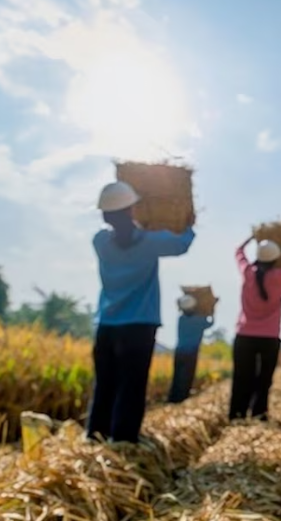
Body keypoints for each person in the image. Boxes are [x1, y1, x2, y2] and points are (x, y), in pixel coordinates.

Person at [86, 181, 195, 443]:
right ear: (130, 211)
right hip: (139, 327)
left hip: (107, 325)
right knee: (131, 385)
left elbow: (127, 233)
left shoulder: (100, 241)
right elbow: (182, 244)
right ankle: (123, 439)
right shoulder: (149, 243)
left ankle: (96, 434)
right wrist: (190, 223)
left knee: (105, 385)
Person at [229, 236, 281, 421]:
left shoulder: (248, 272)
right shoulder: (280, 276)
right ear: (276, 259)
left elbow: (238, 253)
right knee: (264, 378)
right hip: (269, 338)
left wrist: (249, 239)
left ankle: (236, 414)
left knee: (241, 377)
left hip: (244, 335)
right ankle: (259, 413)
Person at [167, 294, 213, 404]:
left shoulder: (181, 319)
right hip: (191, 353)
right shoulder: (199, 320)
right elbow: (211, 322)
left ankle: (172, 399)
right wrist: (210, 308)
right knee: (187, 377)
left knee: (177, 376)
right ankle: (182, 399)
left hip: (179, 351)